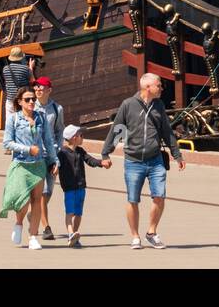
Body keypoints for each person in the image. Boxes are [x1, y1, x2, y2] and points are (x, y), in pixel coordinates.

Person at [101, 72, 185, 250]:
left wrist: (177, 155)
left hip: (155, 160)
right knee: (133, 199)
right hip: (133, 161)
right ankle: (135, 236)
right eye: (159, 85)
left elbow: (166, 132)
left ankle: (151, 232)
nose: (161, 88)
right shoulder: (128, 105)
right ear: (148, 87)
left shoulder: (159, 105)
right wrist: (106, 153)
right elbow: (118, 130)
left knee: (159, 196)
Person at [0, 88, 58, 249]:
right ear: (20, 102)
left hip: (38, 164)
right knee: (23, 200)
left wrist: (54, 161)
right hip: (21, 164)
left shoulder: (41, 117)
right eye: (27, 99)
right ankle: (18, 224)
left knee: (37, 200)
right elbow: (7, 143)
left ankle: (33, 236)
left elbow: (48, 139)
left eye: (32, 99)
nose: (31, 102)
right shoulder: (14, 119)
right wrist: (27, 149)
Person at [58, 124, 111, 247]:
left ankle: (75, 235)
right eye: (81, 135)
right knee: (69, 212)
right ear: (73, 137)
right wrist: (53, 168)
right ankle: (70, 233)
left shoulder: (80, 151)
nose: (83, 137)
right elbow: (54, 164)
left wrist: (101, 163)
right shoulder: (62, 153)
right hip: (69, 188)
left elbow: (89, 160)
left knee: (78, 213)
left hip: (81, 186)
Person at [33, 77, 65, 240]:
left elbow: (60, 131)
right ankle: (46, 227)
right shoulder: (30, 107)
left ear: (49, 90)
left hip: (52, 155)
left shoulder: (57, 108)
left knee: (49, 192)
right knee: (42, 191)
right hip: (36, 155)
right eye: (36, 87)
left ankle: (35, 215)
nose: (38, 90)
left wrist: (58, 149)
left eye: (42, 87)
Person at [1, 47, 31, 124]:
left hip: (10, 99)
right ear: (21, 57)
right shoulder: (25, 69)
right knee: (22, 122)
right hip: (21, 99)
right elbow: (32, 80)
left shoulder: (5, 69)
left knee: (9, 121)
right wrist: (30, 68)